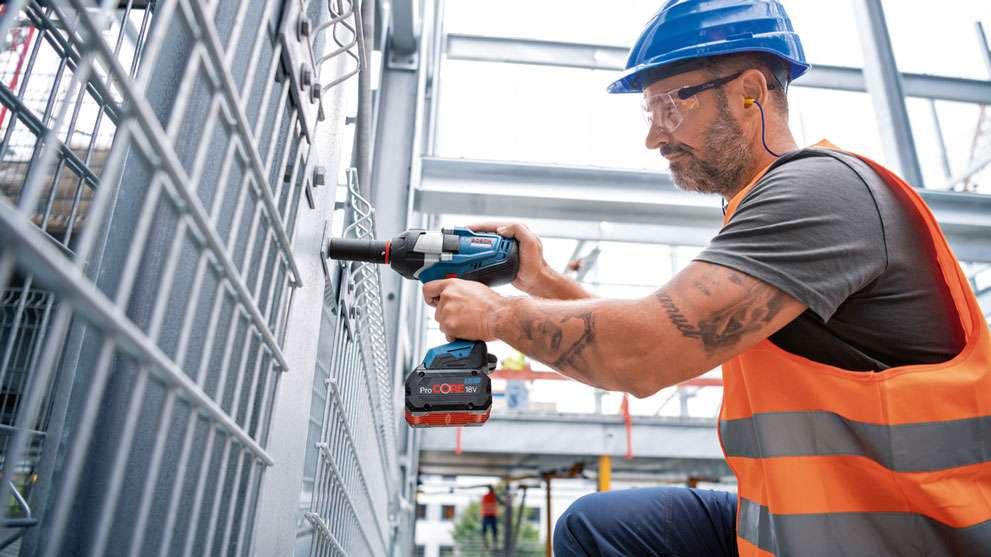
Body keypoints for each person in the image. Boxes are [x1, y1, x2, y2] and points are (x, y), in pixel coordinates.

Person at [422, 0, 991, 555]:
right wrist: (538, 278)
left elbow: (646, 354)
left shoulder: (818, 195)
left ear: (750, 91)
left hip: (906, 536)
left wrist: (496, 315)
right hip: (811, 523)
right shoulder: (763, 210)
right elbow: (659, 343)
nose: (653, 136)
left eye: (670, 105)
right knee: (599, 527)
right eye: (650, 113)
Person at [481, 486, 501, 550]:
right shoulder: (495, 496)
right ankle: (495, 544)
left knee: (484, 531)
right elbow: (502, 503)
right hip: (492, 516)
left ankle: (485, 544)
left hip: (486, 515)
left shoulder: (485, 496)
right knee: (494, 530)